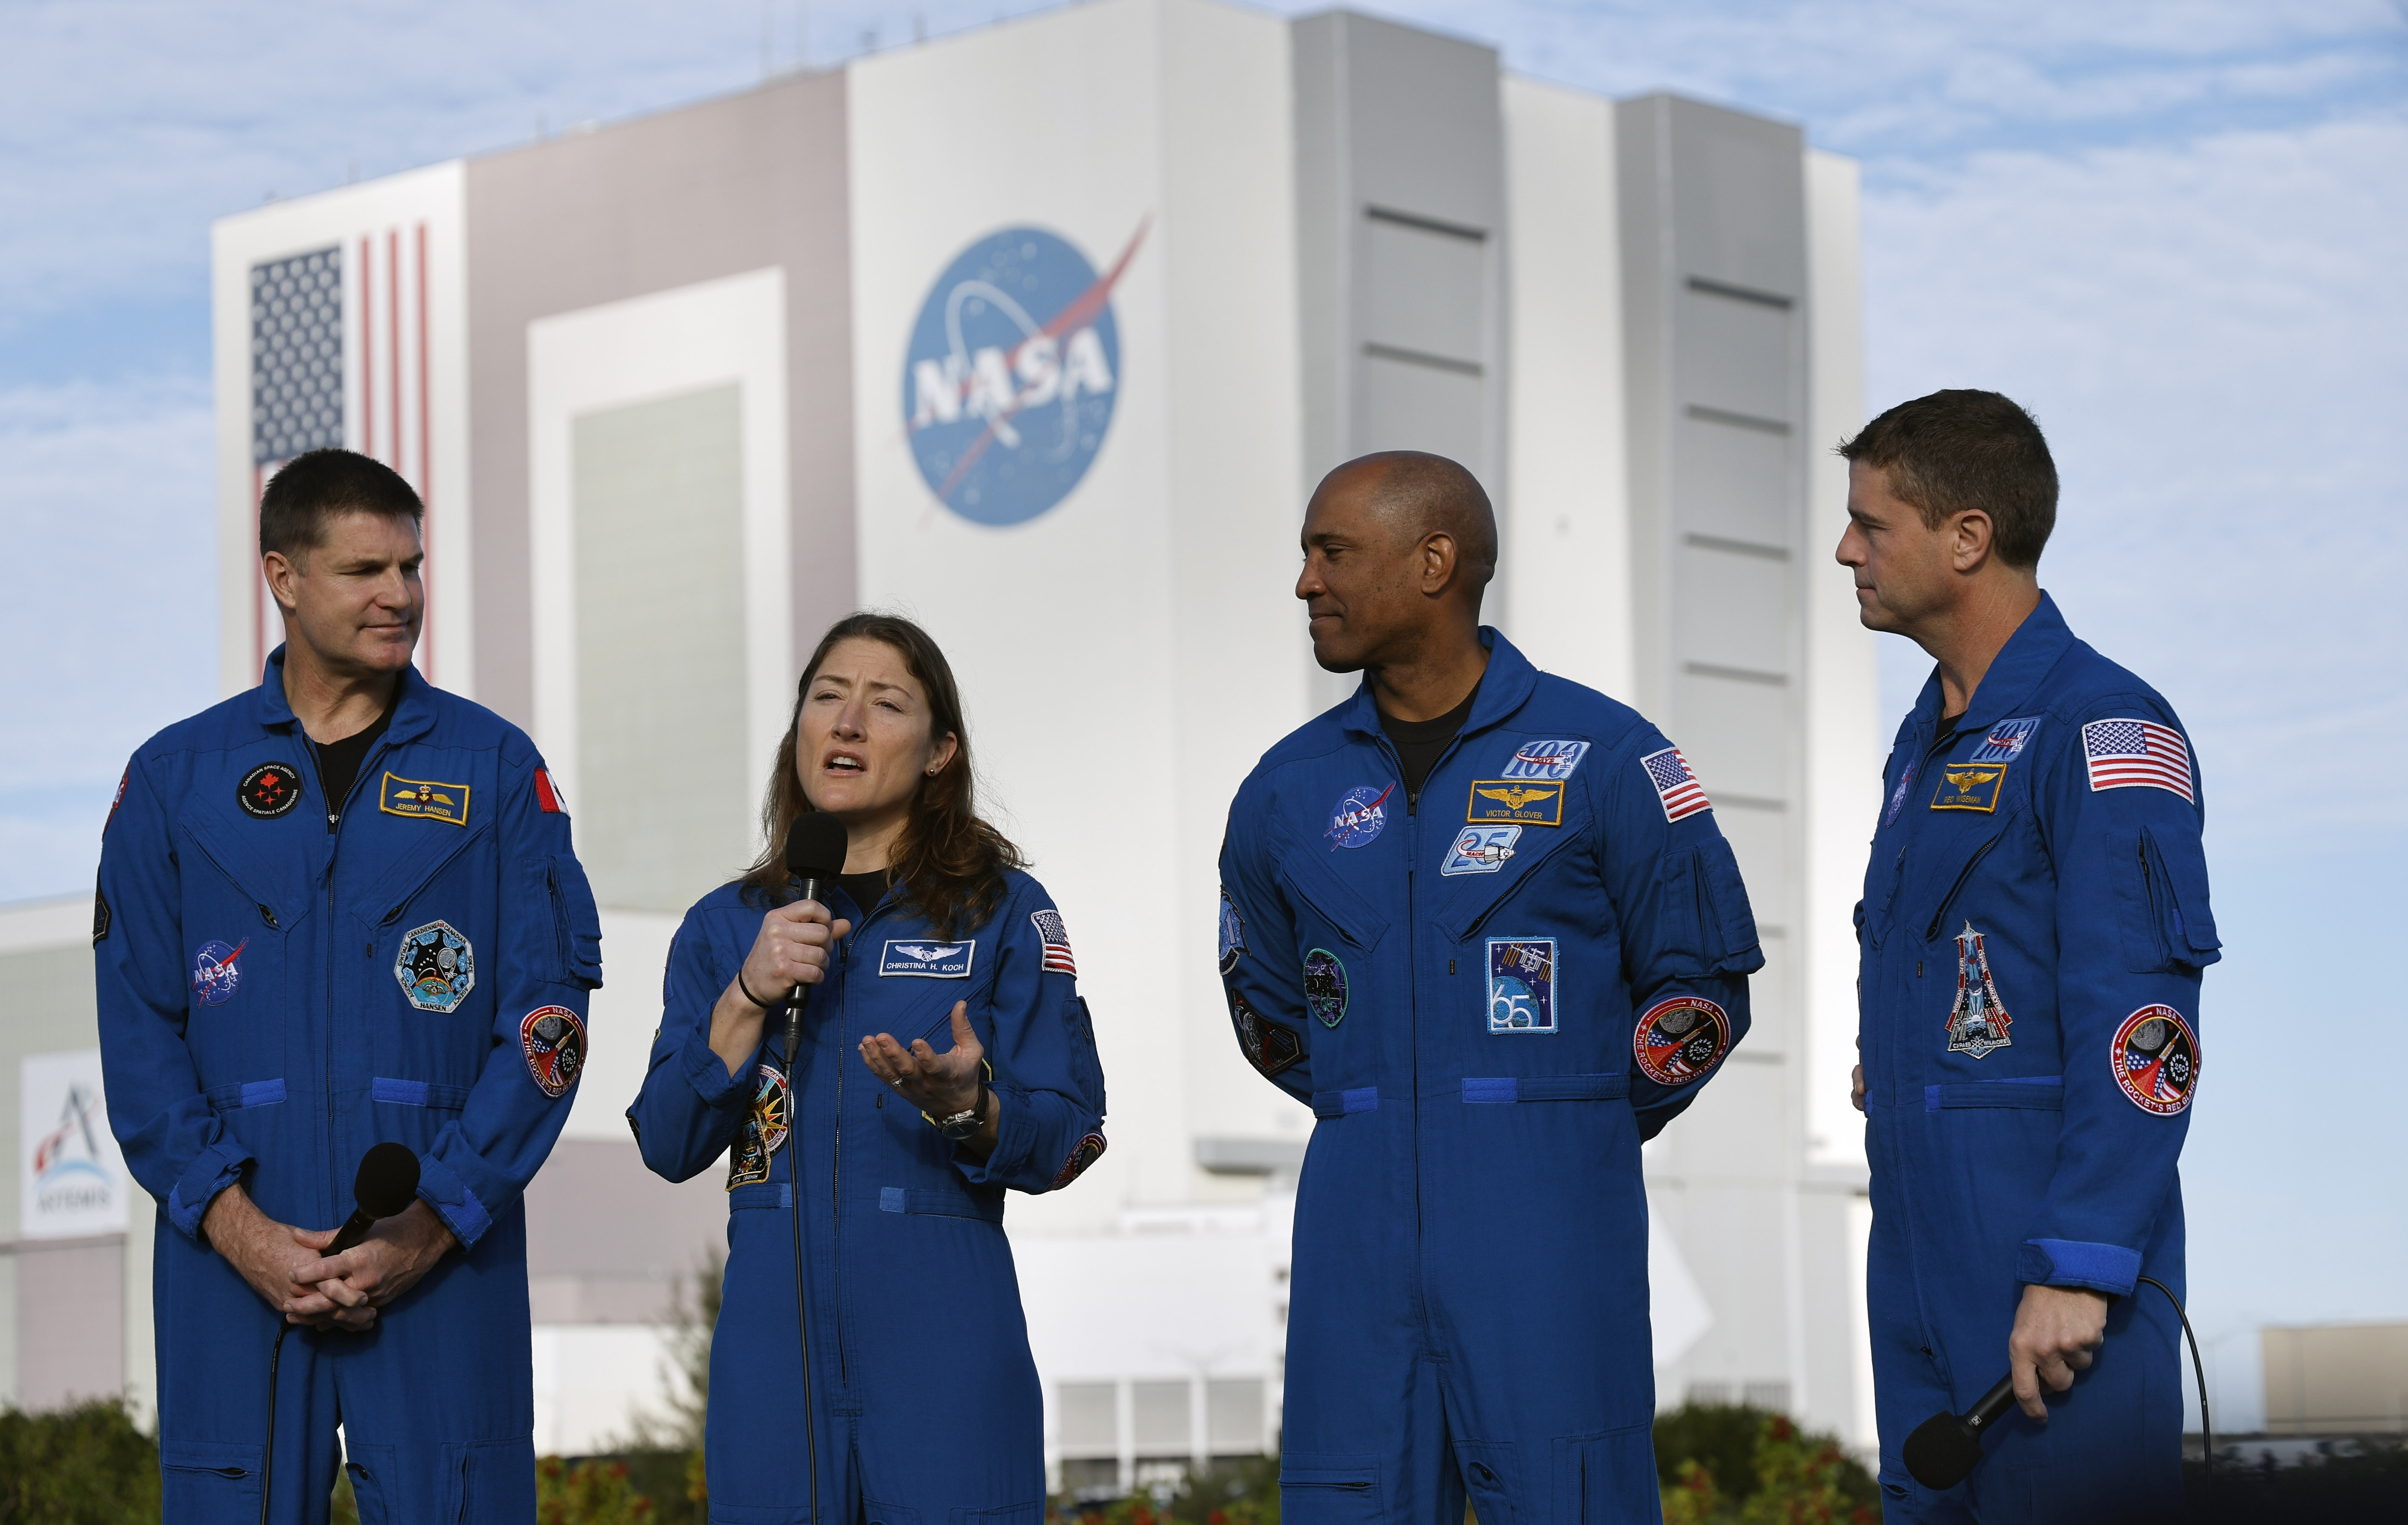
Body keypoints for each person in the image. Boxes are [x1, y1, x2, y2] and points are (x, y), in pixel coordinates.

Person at [1218, 452, 1764, 1523]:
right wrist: (1390, 1107)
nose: (1305, 584)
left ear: (1435, 562)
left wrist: (1573, 1119)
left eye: (1332, 554)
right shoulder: (1283, 792)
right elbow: (1272, 1017)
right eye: (1305, 557)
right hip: (1353, 1243)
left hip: (1552, 1241)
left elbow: (1702, 989)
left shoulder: (1610, 757)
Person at [95, 449, 601, 1521]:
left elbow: (550, 1023)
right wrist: (239, 1230)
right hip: (233, 1269)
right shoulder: (175, 779)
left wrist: (432, 1224)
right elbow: (138, 1031)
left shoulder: (496, 771)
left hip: (440, 1253)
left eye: (412, 567)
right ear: (284, 577)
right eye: (366, 569)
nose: (401, 596)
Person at [629, 613, 1107, 1521]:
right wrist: (745, 996)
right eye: (826, 698)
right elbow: (665, 1138)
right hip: (771, 1335)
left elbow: (1074, 1132)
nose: (846, 723)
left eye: (885, 704)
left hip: (944, 1321)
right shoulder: (727, 925)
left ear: (940, 752)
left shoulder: (1004, 912)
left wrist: (973, 1108)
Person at [1836, 390, 2215, 1522]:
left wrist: (2082, 1259)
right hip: (1914, 1251)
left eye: (1872, 523)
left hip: (2048, 1266)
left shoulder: (2103, 727)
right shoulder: (1927, 738)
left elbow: (2145, 1023)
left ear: (1967, 537)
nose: (1846, 549)